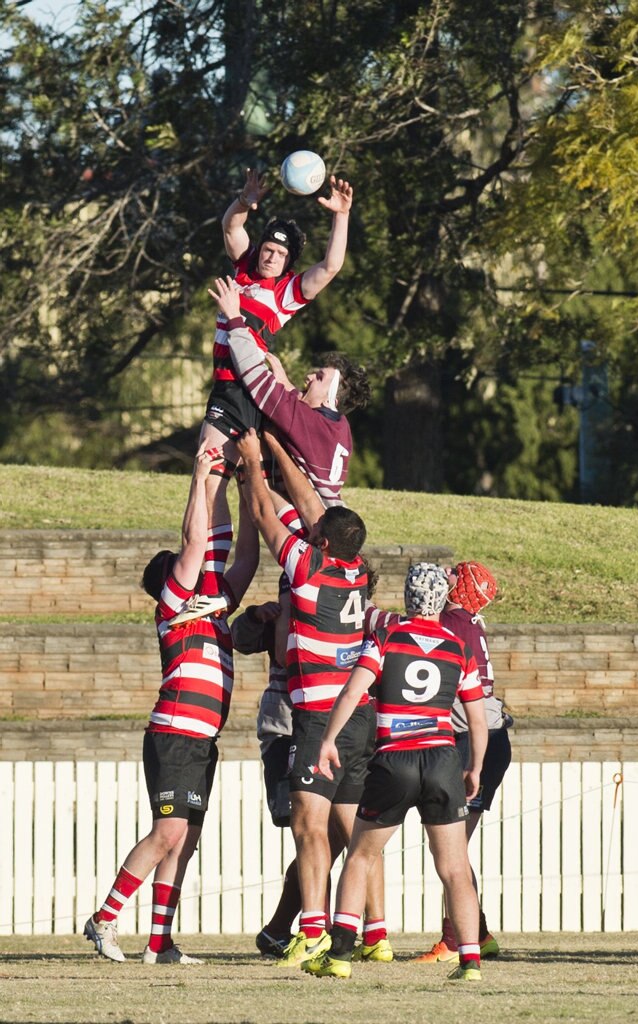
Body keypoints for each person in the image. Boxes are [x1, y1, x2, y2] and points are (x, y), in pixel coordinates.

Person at [83, 445, 259, 964]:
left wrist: (245, 489)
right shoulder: (176, 603)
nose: (202, 568)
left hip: (202, 738)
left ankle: (159, 943)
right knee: (168, 833)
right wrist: (203, 474)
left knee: (184, 841)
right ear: (171, 578)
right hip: (177, 731)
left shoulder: (213, 603)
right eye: (188, 567)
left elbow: (245, 555)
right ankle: (105, 918)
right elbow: (196, 539)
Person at [235, 427, 391, 968]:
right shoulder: (354, 569)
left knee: (309, 826)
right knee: (351, 829)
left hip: (319, 714)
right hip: (359, 714)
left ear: (322, 539)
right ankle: (374, 933)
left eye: (317, 527)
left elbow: (263, 512)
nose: (310, 522)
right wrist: (279, 448)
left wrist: (253, 463)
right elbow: (308, 503)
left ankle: (314, 932)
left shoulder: (308, 566)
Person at [303, 563, 488, 982]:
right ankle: (471, 962)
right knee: (455, 868)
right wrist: (474, 766)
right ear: (442, 600)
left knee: (361, 855)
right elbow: (477, 720)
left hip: (394, 760)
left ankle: (341, 955)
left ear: (408, 597)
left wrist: (328, 739)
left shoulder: (385, 637)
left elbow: (353, 690)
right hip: (442, 759)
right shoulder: (459, 647)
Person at [199, 168, 355, 515]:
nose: (271, 257)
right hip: (231, 387)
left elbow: (330, 267)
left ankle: (208, 569)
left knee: (209, 479)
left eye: (280, 255)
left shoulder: (285, 293)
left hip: (240, 388)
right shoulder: (243, 269)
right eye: (268, 249)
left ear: (288, 263)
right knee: (239, 494)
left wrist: (341, 216)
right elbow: (231, 227)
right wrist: (244, 200)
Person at [412, 560, 512, 963]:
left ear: (462, 587)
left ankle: (455, 940)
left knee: (452, 849)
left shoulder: (451, 622)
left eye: (454, 575)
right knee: (453, 847)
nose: (446, 577)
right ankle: (479, 933)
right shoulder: (467, 622)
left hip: (474, 742)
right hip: (481, 738)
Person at [209, 274, 370, 506]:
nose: (309, 376)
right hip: (329, 512)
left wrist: (234, 317)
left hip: (309, 523)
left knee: (252, 502)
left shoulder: (306, 420)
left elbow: (254, 375)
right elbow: (304, 417)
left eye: (319, 377)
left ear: (330, 399)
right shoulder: (339, 425)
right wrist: (287, 385)